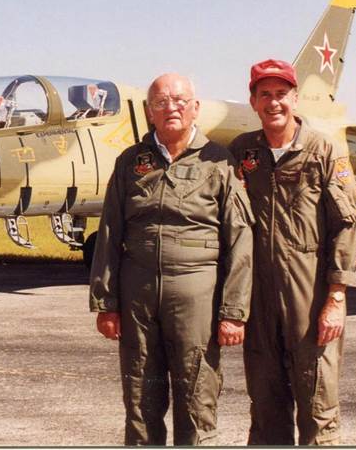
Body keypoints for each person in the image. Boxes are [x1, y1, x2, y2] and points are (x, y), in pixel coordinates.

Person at [89, 73, 254, 445]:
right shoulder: (131, 162)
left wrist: (233, 311)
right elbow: (110, 233)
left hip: (197, 296)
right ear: (150, 112)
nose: (171, 108)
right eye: (161, 102)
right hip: (138, 298)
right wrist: (106, 302)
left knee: (197, 397)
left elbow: (241, 239)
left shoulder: (219, 163)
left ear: (195, 108)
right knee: (139, 398)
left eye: (180, 101)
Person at [228, 59, 356, 445]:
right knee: (266, 408)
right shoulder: (242, 152)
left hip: (311, 295)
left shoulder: (323, 150)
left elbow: (345, 225)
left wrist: (336, 297)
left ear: (295, 98)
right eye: (264, 94)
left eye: (281, 94)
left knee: (318, 404)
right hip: (259, 299)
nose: (274, 103)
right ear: (253, 101)